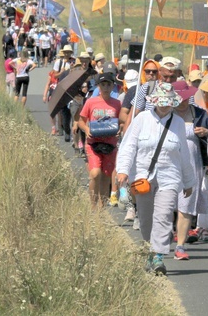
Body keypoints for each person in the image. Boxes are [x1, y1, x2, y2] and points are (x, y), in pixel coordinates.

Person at [116, 83, 196, 275]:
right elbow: (128, 146)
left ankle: (159, 256)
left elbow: (184, 153)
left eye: (168, 102)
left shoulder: (177, 123)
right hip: (143, 176)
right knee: (145, 218)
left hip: (169, 177)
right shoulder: (142, 119)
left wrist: (188, 181)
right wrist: (123, 170)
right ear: (154, 102)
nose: (164, 105)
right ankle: (149, 251)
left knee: (164, 215)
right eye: (161, 102)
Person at [171, 81, 208, 261]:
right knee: (167, 203)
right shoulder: (165, 114)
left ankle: (180, 245)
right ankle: (163, 237)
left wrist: (207, 132)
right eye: (180, 97)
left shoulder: (199, 114)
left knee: (186, 205)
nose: (184, 101)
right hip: (170, 163)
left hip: (193, 163)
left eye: (187, 97)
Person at [77, 72, 123, 207]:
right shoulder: (91, 101)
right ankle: (92, 205)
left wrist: (119, 129)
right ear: (98, 86)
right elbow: (81, 121)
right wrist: (86, 130)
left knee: (106, 176)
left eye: (108, 84)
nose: (106, 87)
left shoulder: (117, 103)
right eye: (103, 84)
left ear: (113, 86)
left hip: (110, 144)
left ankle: (101, 210)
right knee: (95, 173)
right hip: (93, 143)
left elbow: (120, 121)